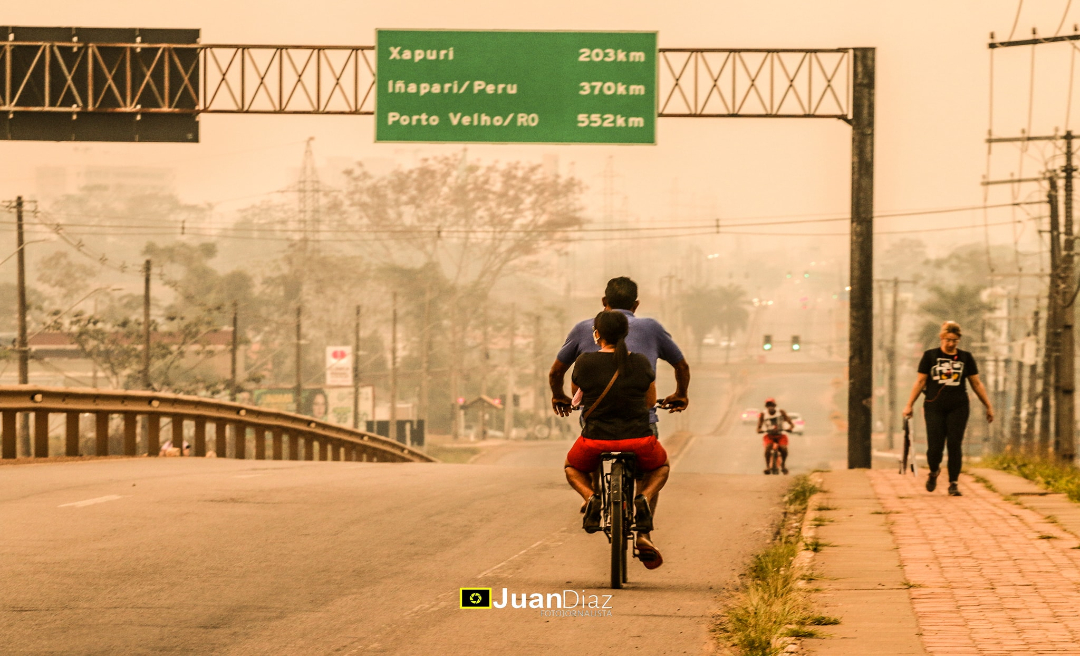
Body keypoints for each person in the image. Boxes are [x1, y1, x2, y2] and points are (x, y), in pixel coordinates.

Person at [562, 310, 669, 569]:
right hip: (639, 440)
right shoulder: (642, 363)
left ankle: (591, 498)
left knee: (572, 468)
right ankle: (643, 497)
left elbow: (577, 396)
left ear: (596, 334)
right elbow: (650, 402)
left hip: (595, 441)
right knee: (660, 468)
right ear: (626, 334)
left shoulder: (584, 362)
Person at [902, 320, 994, 497]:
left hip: (958, 406)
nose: (951, 344)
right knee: (935, 446)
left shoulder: (966, 358)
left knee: (954, 444)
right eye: (948, 340)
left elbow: (976, 383)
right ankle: (934, 471)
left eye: (955, 341)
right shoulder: (930, 356)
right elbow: (920, 381)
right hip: (933, 406)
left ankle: (953, 483)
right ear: (941, 338)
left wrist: (988, 406)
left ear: (958, 340)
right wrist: (909, 405)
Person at [756, 398, 793, 475]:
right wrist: (759, 430)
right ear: (766, 407)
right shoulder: (763, 414)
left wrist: (790, 428)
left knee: (784, 448)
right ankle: (767, 466)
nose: (770, 407)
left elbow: (791, 423)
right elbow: (758, 426)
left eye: (772, 405)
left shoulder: (781, 412)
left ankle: (783, 465)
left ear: (775, 405)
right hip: (769, 435)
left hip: (780, 435)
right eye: (768, 405)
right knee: (768, 448)